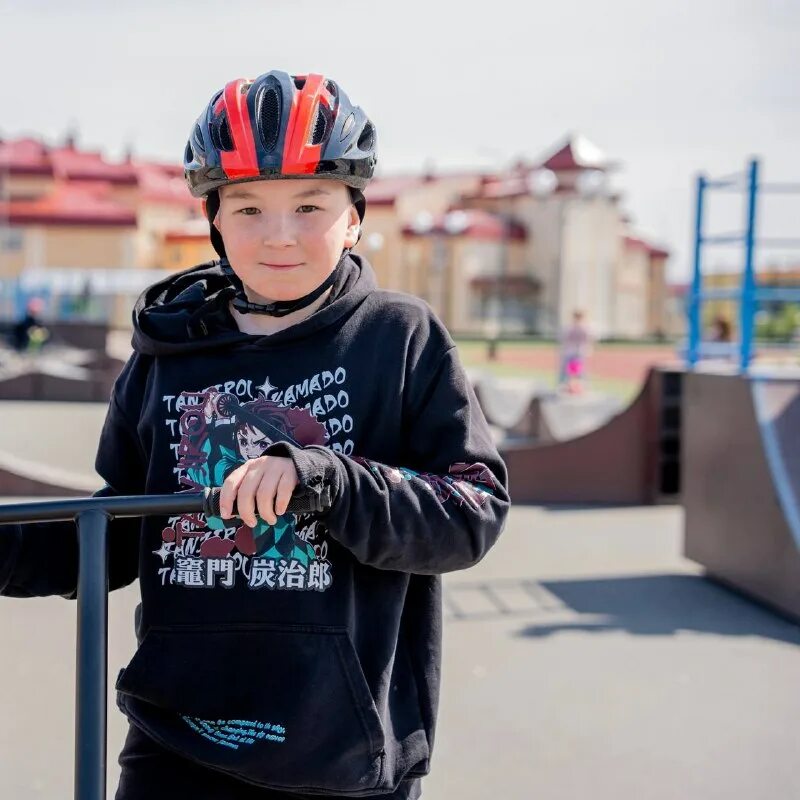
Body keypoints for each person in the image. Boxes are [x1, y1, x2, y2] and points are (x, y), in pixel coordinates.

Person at [0, 70, 510, 800]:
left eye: (309, 205)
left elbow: (470, 512)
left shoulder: (399, 338)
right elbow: (116, 532)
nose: (278, 235)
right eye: (247, 208)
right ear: (214, 220)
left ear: (354, 217)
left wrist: (328, 479)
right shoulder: (168, 352)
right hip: (175, 738)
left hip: (339, 751)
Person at [558, 309, 594, 394]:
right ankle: (565, 385)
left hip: (577, 351)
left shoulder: (583, 328)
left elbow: (588, 339)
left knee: (578, 371)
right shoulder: (572, 327)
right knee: (569, 370)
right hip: (572, 351)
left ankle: (582, 386)